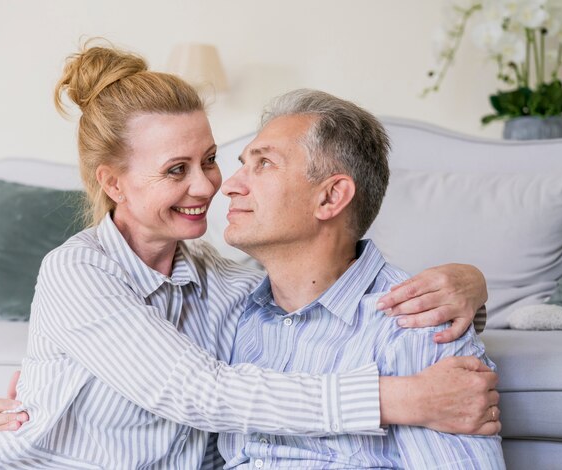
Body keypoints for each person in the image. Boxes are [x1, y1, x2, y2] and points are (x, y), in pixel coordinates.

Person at [0, 43, 497, 469]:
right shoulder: (77, 270)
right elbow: (197, 391)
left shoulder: (229, 286)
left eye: (210, 159)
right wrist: (400, 400)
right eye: (175, 170)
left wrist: (471, 287)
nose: (212, 186)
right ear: (114, 184)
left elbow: (319, 284)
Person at [216, 89, 505, 468]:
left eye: (264, 163)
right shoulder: (226, 309)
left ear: (331, 197)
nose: (230, 185)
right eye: (242, 164)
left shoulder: (416, 326)